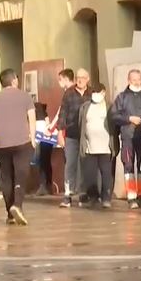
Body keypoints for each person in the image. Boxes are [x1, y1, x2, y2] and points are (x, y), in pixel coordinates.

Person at [0, 69, 36, 226]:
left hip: (2, 144)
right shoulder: (25, 96)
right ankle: (17, 205)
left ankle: (10, 213)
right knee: (21, 174)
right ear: (14, 81)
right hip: (22, 142)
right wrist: (33, 138)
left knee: (6, 177)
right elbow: (31, 117)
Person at [110, 69, 141, 209]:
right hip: (127, 136)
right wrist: (129, 119)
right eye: (134, 79)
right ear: (128, 80)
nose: (136, 81)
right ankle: (131, 197)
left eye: (138, 79)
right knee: (128, 165)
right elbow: (113, 116)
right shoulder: (121, 97)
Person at [79, 83, 118, 208]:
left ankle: (106, 197)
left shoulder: (109, 107)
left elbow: (114, 124)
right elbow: (81, 123)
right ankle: (93, 197)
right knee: (90, 174)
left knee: (106, 173)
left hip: (106, 146)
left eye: (98, 92)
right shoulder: (85, 107)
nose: (96, 95)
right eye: (94, 92)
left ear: (104, 93)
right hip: (90, 147)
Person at [57, 68, 91, 208]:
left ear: (88, 79)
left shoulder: (92, 93)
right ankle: (67, 195)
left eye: (83, 77)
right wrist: (60, 132)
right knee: (70, 164)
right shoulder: (69, 93)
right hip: (71, 133)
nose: (80, 80)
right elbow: (63, 112)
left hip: (87, 135)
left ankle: (83, 193)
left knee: (85, 164)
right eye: (78, 77)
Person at [33, 101, 54, 196]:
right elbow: (48, 124)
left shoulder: (34, 117)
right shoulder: (45, 117)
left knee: (41, 164)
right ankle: (47, 186)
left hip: (39, 143)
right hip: (47, 142)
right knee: (46, 164)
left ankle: (43, 186)